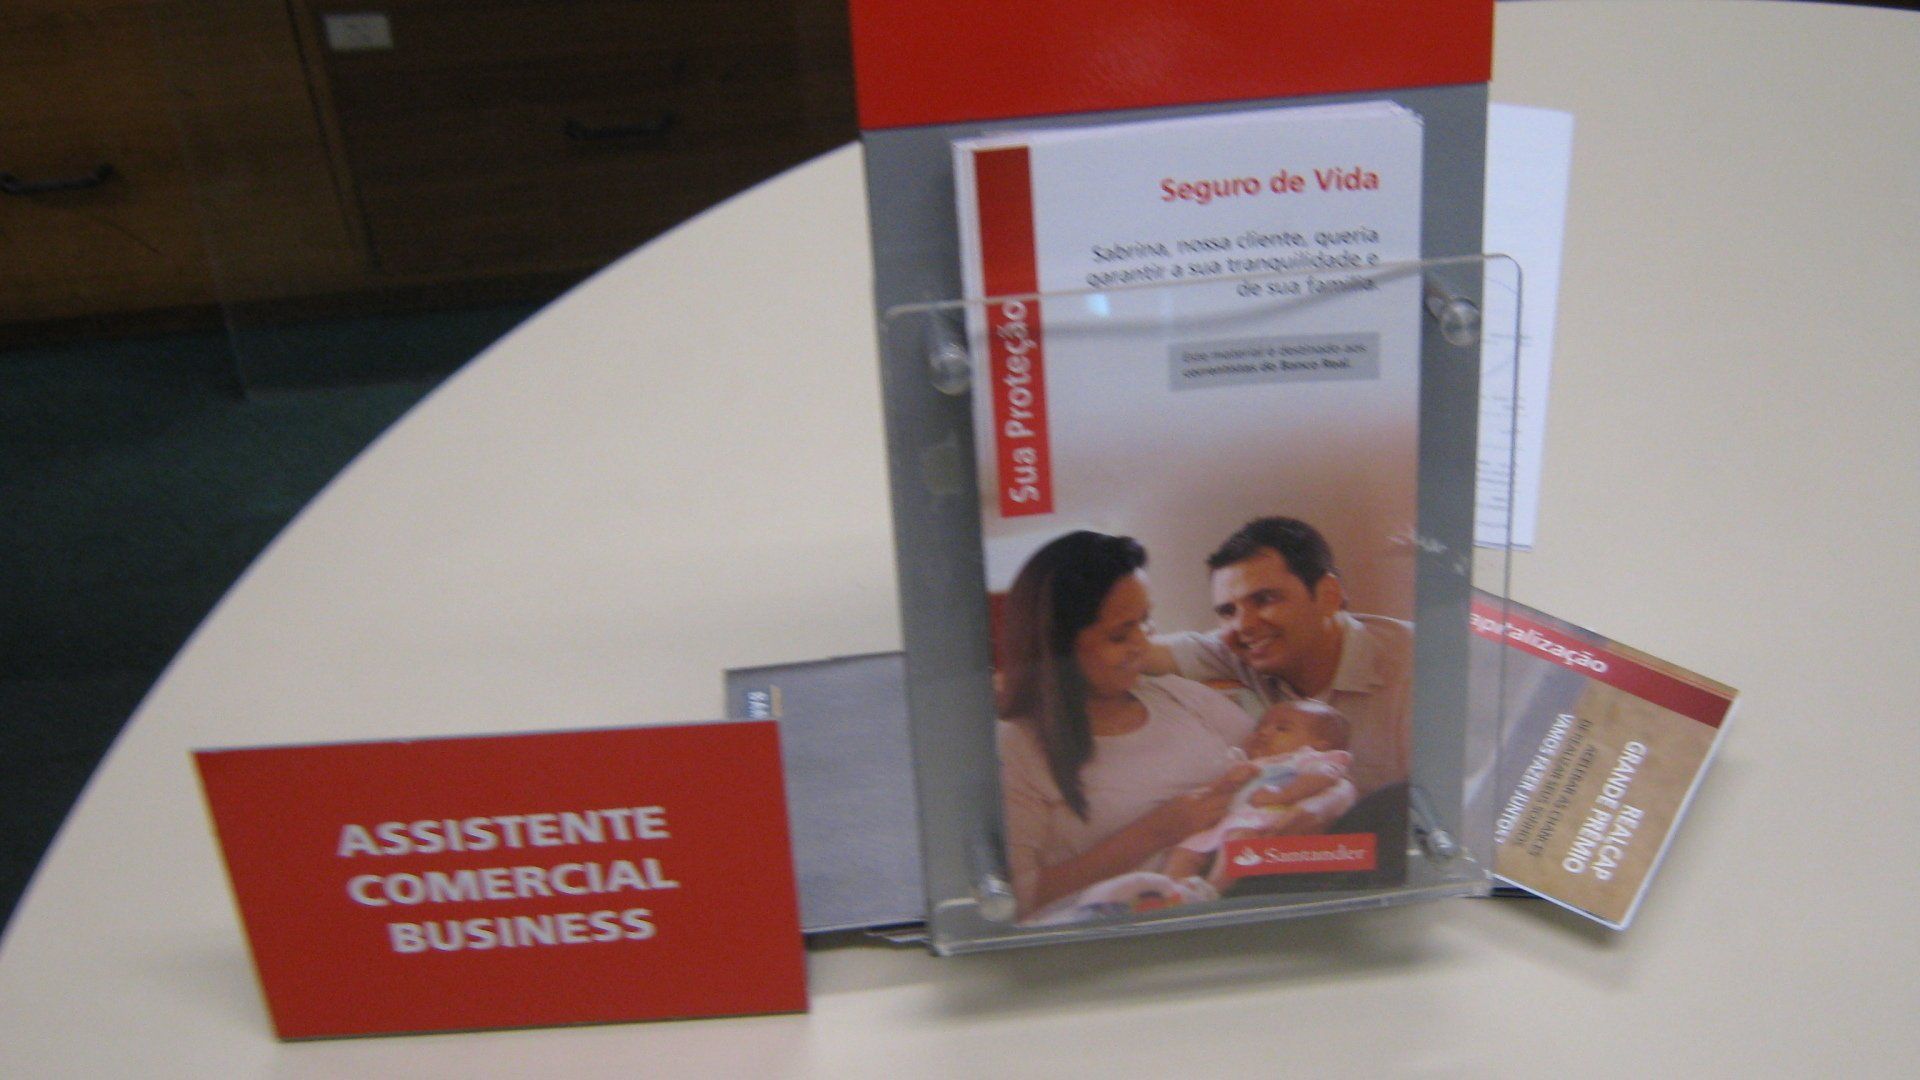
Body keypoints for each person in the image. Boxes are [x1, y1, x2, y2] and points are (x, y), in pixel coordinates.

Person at [996, 530, 1355, 919]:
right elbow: (1015, 899)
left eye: (1145, 621)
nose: (1142, 644)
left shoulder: (1181, 697)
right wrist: (1156, 831)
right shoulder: (1017, 747)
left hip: (1259, 886)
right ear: (1058, 645)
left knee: (1388, 809)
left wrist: (1325, 803)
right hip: (1142, 920)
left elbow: (1298, 762)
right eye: (1120, 634)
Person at [1147, 516, 1413, 801]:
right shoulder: (1239, 651)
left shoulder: (1417, 664)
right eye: (1228, 611)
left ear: (1329, 595)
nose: (1244, 625)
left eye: (1265, 599)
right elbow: (1133, 651)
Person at [1160, 700, 1352, 882]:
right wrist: (1231, 780)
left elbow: (1324, 777)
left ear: (1320, 745)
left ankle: (1213, 887)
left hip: (1268, 820)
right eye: (1260, 727)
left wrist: (1281, 795)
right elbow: (1219, 788)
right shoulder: (1250, 761)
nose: (1263, 732)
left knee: (1239, 844)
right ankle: (1171, 891)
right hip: (1229, 820)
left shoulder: (1309, 758)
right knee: (1186, 850)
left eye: (1282, 728)